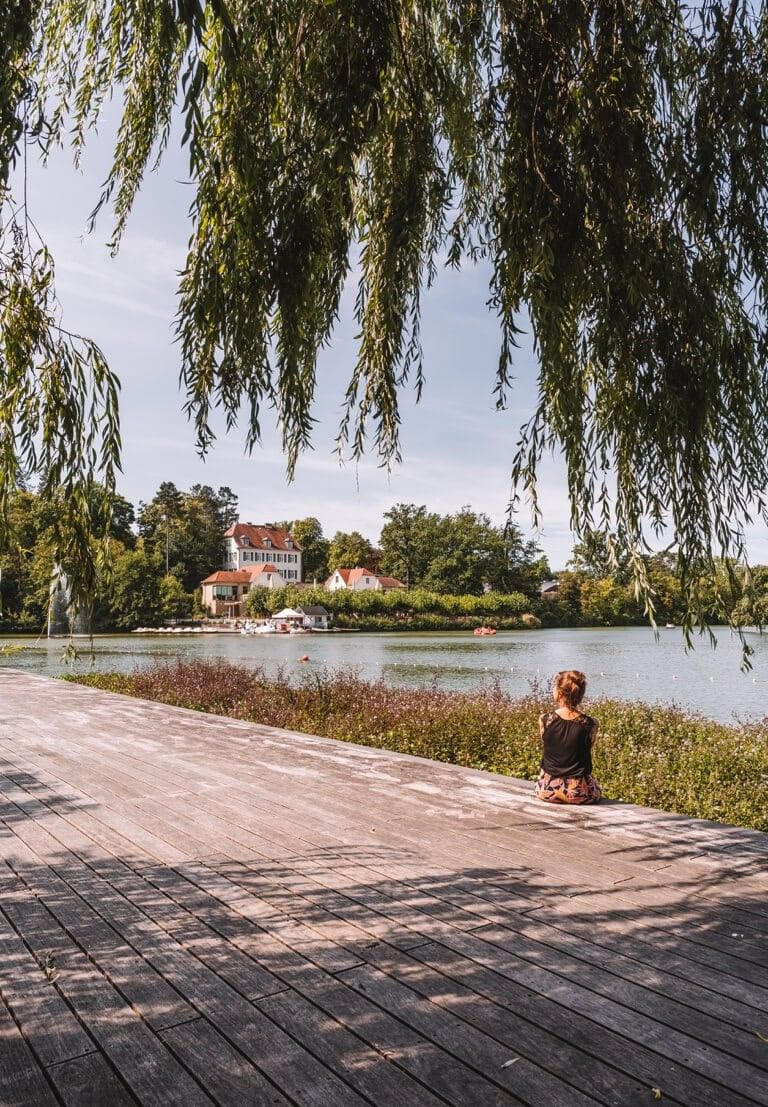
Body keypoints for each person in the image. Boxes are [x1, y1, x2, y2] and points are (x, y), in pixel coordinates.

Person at [535, 669, 601, 804]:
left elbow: (549, 746)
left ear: (559, 693)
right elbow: (586, 748)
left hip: (548, 791)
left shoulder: (545, 720)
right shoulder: (592, 724)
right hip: (579, 793)